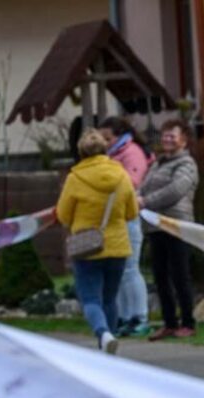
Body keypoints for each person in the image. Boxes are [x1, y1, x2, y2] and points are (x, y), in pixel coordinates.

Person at [57, 129, 140, 354]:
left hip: (87, 248)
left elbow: (63, 215)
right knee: (110, 299)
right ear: (105, 149)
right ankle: (108, 346)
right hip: (118, 247)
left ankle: (103, 333)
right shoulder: (121, 175)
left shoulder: (75, 178)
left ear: (81, 152)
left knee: (91, 299)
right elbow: (132, 213)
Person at [139, 118, 200, 340]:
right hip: (155, 226)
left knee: (180, 275)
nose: (166, 139)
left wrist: (146, 201)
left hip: (177, 225)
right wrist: (137, 196)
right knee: (160, 276)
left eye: (172, 135)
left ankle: (188, 322)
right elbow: (143, 186)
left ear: (184, 140)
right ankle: (169, 323)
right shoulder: (158, 163)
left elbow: (176, 191)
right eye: (164, 135)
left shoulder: (187, 164)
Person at [99, 116, 152, 336]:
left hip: (128, 216)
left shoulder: (131, 153)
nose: (105, 142)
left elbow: (132, 182)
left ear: (120, 136)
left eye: (108, 138)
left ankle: (139, 316)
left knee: (130, 268)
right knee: (118, 271)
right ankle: (123, 316)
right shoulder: (111, 155)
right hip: (114, 218)